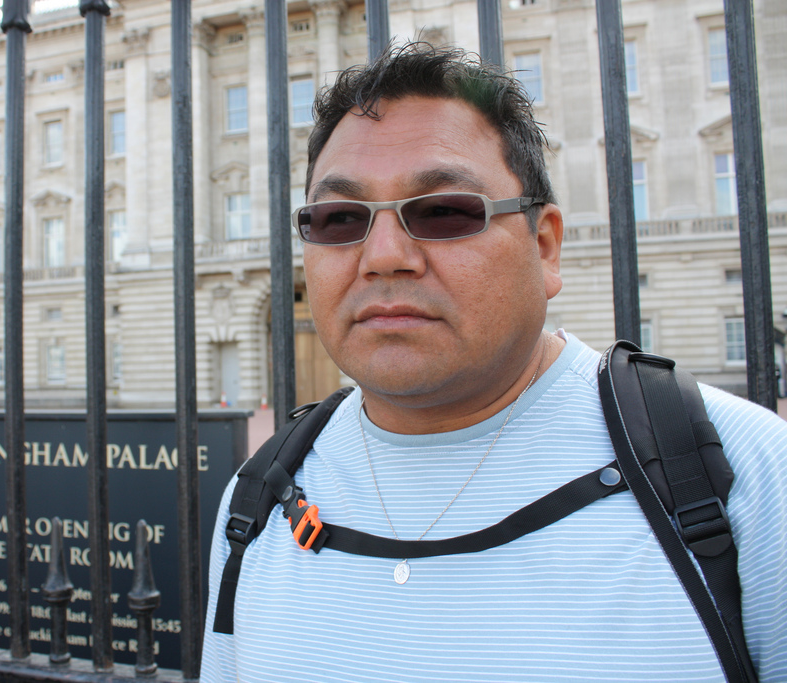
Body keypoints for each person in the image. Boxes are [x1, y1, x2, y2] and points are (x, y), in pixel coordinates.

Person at [200, 43, 787, 682]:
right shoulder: (254, 498)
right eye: (341, 219)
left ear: (544, 247)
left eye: (445, 211)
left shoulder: (752, 477)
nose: (384, 256)